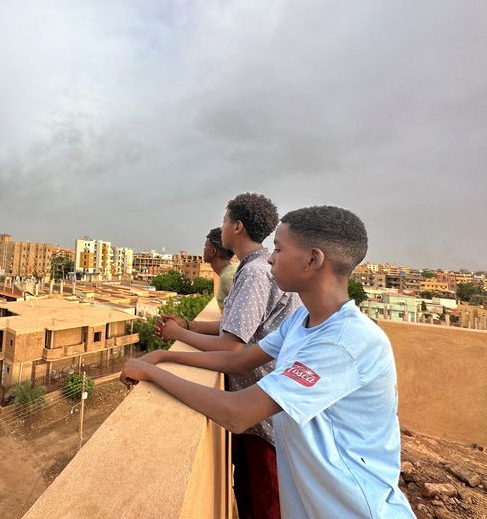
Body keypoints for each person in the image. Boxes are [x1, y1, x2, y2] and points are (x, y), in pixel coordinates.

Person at [121, 206, 415, 518]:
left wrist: (152, 372)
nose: (271, 258)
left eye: (278, 248)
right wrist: (166, 355)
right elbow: (241, 360)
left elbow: (237, 414)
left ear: (313, 259)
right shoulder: (304, 318)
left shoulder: (346, 342)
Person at [157, 193, 300, 519]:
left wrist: (177, 336)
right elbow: (237, 325)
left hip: (264, 413)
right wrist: (190, 325)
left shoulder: (253, 273)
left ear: (237, 226)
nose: (220, 227)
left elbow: (231, 347)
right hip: (258, 408)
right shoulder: (258, 266)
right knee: (251, 497)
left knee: (266, 505)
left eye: (224, 220)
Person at [204, 227, 236, 312]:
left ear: (213, 251)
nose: (203, 249)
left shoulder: (227, 277)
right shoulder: (231, 271)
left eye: (205, 246)